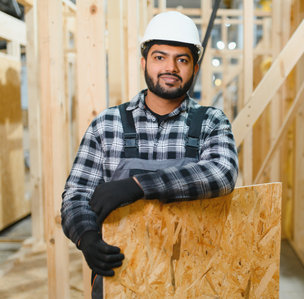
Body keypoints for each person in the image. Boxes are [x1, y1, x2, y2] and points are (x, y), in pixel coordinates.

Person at [61, 11, 238, 298]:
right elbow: (76, 195)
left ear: (194, 68)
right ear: (144, 62)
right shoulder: (107, 125)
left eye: (182, 59)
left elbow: (222, 173)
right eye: (160, 57)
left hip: (195, 280)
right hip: (122, 279)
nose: (171, 67)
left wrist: (138, 186)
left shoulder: (211, 122)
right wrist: (86, 237)